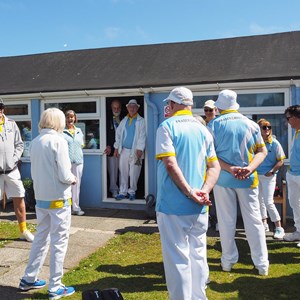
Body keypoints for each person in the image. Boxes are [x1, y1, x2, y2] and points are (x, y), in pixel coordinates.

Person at [156, 87, 220, 300]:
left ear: (173, 104)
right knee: (198, 254)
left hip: (174, 205)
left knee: (178, 260)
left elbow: (170, 164)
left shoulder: (166, 126)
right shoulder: (203, 129)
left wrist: (190, 192)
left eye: (169, 104)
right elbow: (214, 167)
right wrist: (203, 191)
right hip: (199, 205)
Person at [207, 89, 269, 276]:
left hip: (223, 178)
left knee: (226, 221)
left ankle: (228, 261)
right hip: (248, 179)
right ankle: (262, 264)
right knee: (254, 221)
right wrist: (249, 168)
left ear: (219, 106)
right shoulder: (251, 124)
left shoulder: (213, 125)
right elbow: (262, 151)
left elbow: (210, 156)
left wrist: (229, 168)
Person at [19, 108, 76, 299]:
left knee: (41, 238)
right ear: (58, 122)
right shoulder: (59, 141)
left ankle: (29, 278)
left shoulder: (35, 142)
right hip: (58, 199)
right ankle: (56, 286)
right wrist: (72, 179)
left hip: (41, 198)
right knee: (59, 241)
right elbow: (65, 174)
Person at [0, 98, 34, 242]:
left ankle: (23, 230)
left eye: (1, 107)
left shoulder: (12, 124)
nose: (0, 110)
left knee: (19, 198)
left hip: (12, 170)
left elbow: (19, 144)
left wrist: (14, 158)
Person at [257, 119, 286, 239]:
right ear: (259, 129)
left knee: (268, 201)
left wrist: (272, 171)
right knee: (259, 201)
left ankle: (278, 227)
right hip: (256, 175)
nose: (267, 129)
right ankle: (264, 224)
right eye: (264, 127)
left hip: (269, 176)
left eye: (268, 127)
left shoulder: (275, 143)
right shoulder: (256, 143)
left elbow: (281, 160)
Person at [113, 99, 146, 201]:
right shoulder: (124, 120)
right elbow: (118, 135)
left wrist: (140, 148)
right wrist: (116, 147)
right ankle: (122, 192)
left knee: (134, 173)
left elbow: (142, 135)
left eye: (134, 107)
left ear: (137, 108)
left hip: (136, 151)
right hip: (123, 150)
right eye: (130, 107)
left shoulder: (142, 121)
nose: (132, 108)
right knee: (123, 172)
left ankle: (132, 192)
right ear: (127, 108)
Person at [283, 105, 300, 245]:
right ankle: (299, 231)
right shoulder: (297, 131)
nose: (287, 121)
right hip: (293, 173)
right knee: (295, 203)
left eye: (288, 118)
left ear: (295, 117)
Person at [63, 110, 85, 216]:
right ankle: (66, 208)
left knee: (76, 186)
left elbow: (82, 145)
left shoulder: (79, 131)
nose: (70, 119)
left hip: (78, 162)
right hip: (66, 163)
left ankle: (76, 208)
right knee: (66, 185)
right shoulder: (61, 132)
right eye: (68, 117)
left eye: (72, 117)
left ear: (75, 118)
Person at [104, 99, 123, 198]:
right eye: (114, 108)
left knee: (123, 171)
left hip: (123, 149)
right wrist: (107, 145)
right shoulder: (106, 117)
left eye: (118, 107)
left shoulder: (124, 117)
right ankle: (114, 190)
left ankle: (123, 190)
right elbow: (104, 132)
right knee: (113, 171)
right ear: (111, 107)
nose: (116, 110)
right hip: (111, 149)